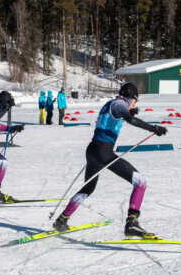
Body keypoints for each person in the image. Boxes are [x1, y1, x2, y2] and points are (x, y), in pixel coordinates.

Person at [53, 82, 167, 238]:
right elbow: (128, 119)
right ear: (130, 97)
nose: (135, 103)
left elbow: (117, 116)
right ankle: (132, 223)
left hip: (92, 150)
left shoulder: (111, 103)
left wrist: (130, 111)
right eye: (135, 100)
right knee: (140, 182)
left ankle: (61, 220)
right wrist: (153, 128)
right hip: (103, 152)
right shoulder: (120, 104)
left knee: (87, 189)